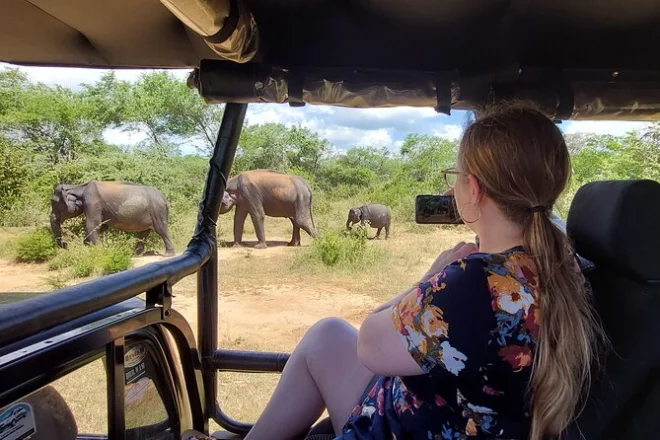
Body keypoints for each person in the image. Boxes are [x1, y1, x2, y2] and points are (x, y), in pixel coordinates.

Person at [220, 103, 604, 440]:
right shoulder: (563, 264)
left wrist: (431, 276)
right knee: (327, 335)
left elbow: (370, 346)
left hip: (414, 426)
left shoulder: (475, 283)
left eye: (456, 177)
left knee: (329, 339)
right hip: (459, 410)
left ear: (474, 189)